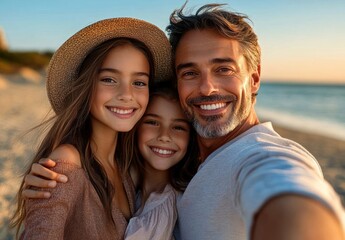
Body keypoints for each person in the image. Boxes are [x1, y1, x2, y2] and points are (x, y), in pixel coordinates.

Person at [21, 3, 345, 240]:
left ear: (255, 78)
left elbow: (290, 195)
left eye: (224, 69)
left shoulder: (262, 157)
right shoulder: (162, 168)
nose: (206, 88)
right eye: (190, 73)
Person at [10, 17, 173, 239]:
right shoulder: (65, 164)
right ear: (87, 86)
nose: (126, 94)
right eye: (109, 79)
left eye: (139, 82)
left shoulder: (124, 165)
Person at [123, 84, 198, 239]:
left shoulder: (168, 205)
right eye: (152, 122)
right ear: (135, 127)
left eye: (178, 127)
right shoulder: (124, 183)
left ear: (190, 138)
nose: (164, 135)